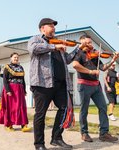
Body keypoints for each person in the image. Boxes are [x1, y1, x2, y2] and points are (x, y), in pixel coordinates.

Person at [28, 18, 77, 150]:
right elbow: (34, 49)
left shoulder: (59, 43)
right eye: (50, 26)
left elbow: (67, 60)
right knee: (40, 114)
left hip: (60, 84)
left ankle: (56, 138)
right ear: (42, 28)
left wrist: (78, 49)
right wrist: (54, 47)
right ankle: (39, 144)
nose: (53, 28)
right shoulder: (36, 39)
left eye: (54, 26)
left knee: (64, 109)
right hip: (42, 83)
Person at [72, 35, 118, 143]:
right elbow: (75, 65)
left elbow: (103, 68)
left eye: (91, 43)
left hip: (96, 86)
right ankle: (84, 133)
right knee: (84, 110)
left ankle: (104, 133)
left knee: (103, 107)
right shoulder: (79, 53)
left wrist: (113, 60)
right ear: (82, 43)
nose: (90, 45)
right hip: (84, 85)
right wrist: (90, 72)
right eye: (87, 43)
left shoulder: (95, 55)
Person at [0, 52, 31, 132]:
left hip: (19, 89)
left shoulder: (21, 67)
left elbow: (23, 80)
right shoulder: (7, 67)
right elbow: (5, 80)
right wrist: (8, 90)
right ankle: (9, 125)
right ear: (11, 58)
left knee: (21, 107)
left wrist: (24, 90)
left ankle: (24, 125)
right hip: (11, 89)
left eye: (17, 57)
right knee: (11, 108)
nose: (16, 59)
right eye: (14, 57)